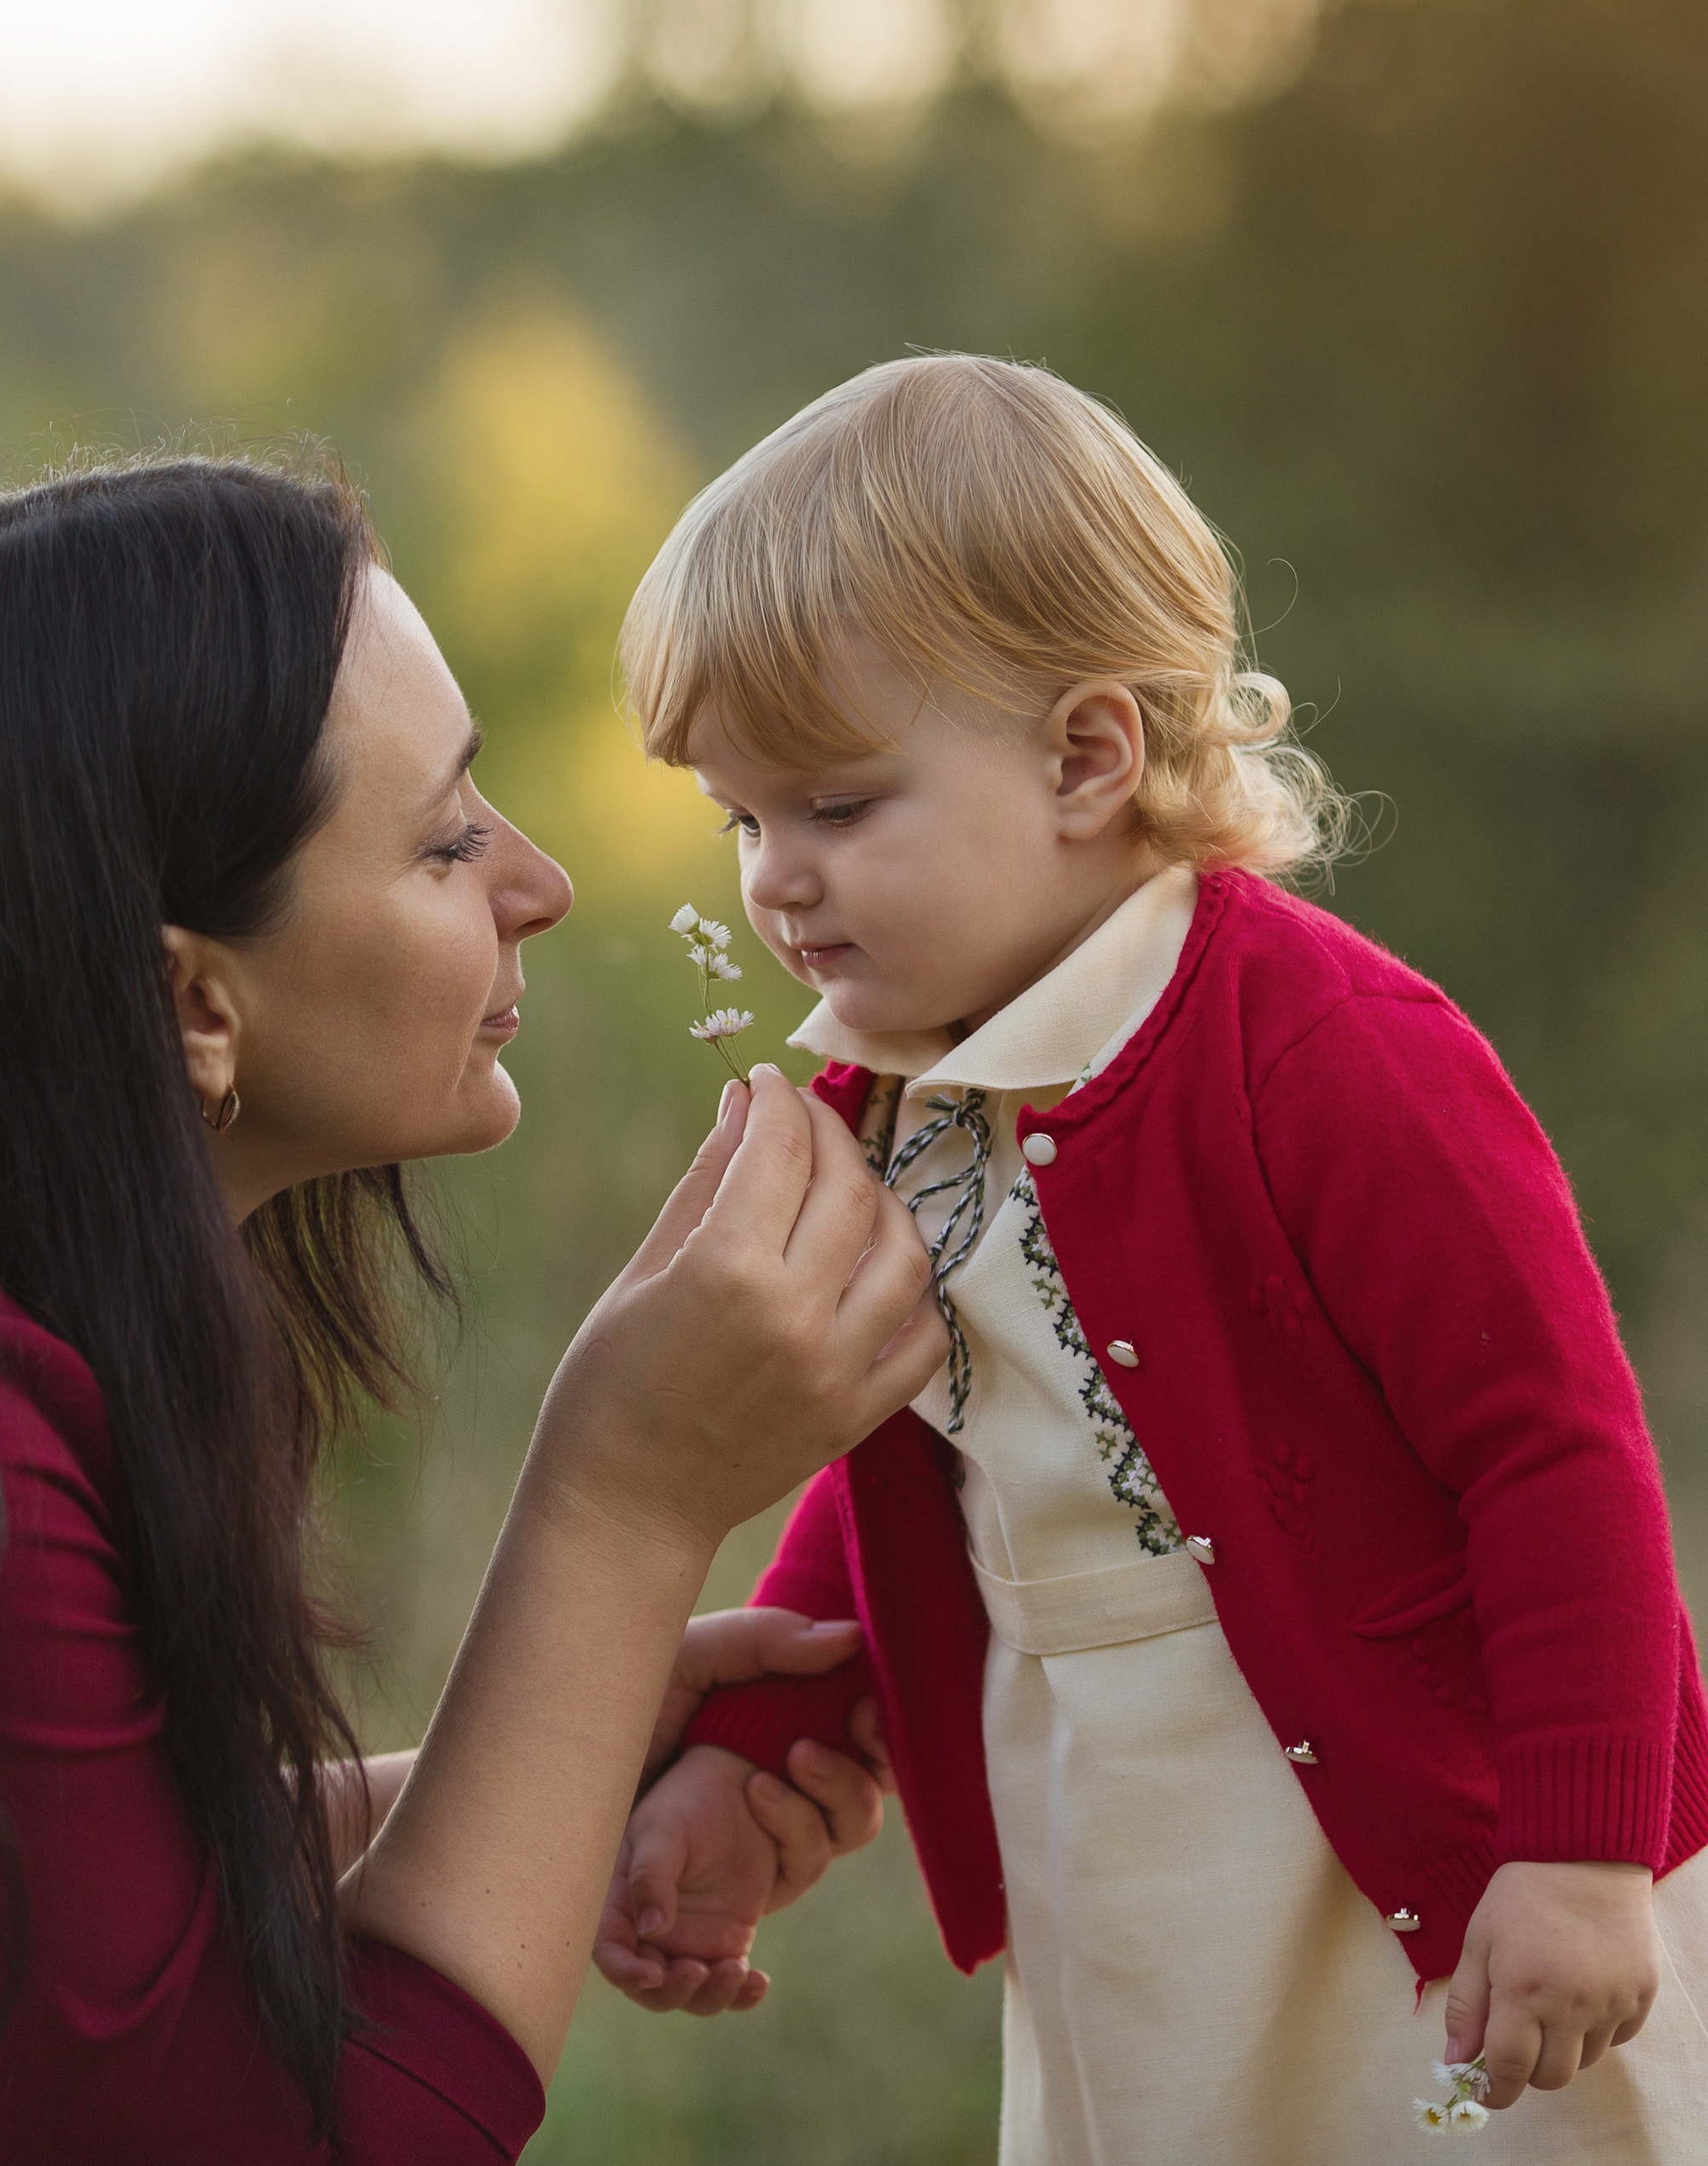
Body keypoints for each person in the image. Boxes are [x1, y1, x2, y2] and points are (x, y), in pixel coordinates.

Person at [0, 456, 944, 2163]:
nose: (539, 881)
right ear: (187, 1000)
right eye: (441, 843)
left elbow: (64, 1904)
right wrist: (623, 1501)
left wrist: (542, 1757)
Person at [591, 355, 1708, 2161]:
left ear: (1084, 756)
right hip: (1124, 1851)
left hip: (1419, 1876)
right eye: (741, 821)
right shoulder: (890, 1102)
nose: (773, 882)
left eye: (835, 806)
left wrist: (1581, 1849)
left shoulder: (1322, 1051)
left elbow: (1553, 1449)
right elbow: (925, 1464)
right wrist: (761, 1741)